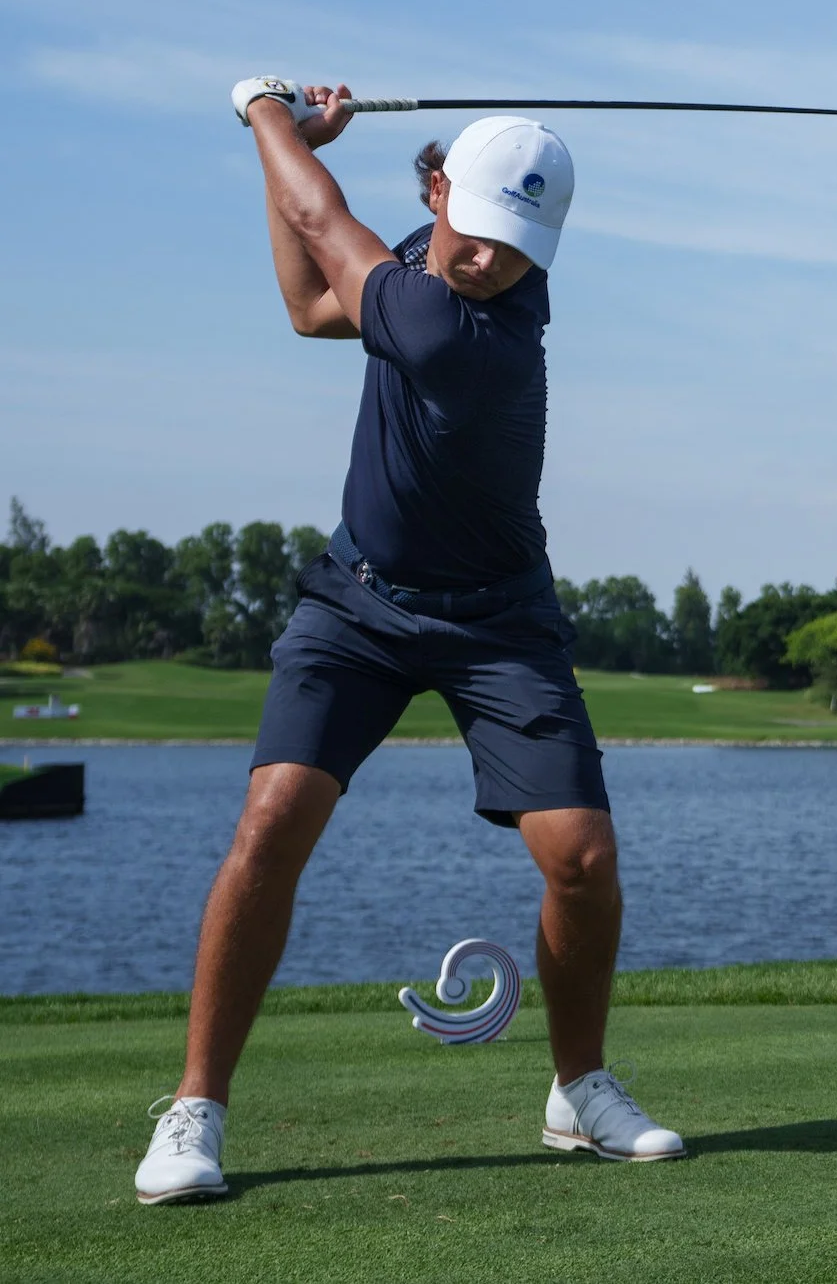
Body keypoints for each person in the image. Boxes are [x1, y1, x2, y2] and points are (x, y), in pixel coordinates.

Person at [135, 78, 682, 1205]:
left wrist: (269, 115)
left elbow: (318, 216)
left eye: (516, 248)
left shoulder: (458, 325)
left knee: (582, 857)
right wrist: (294, 154)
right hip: (359, 605)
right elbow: (308, 304)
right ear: (437, 195)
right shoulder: (419, 270)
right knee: (271, 818)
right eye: (473, 231)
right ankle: (196, 1108)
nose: (488, 259)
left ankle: (577, 1087)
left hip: (498, 618)